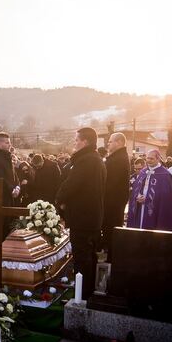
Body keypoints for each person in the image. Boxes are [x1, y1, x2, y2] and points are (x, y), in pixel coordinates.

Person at [56, 127, 106, 300]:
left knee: (82, 258)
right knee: (90, 257)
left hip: (83, 218)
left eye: (77, 140)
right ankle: (88, 292)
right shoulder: (97, 159)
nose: (75, 143)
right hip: (92, 218)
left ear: (85, 141)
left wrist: (60, 199)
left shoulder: (85, 160)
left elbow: (71, 185)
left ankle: (82, 296)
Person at [126, 150, 172, 231]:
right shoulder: (143, 172)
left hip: (155, 211)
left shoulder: (165, 175)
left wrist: (148, 199)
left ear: (158, 159)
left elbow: (165, 197)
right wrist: (137, 196)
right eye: (147, 158)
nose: (148, 161)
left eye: (151, 159)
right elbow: (136, 188)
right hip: (140, 208)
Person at [102, 133, 131, 237]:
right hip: (113, 202)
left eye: (110, 142)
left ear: (119, 142)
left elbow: (110, 183)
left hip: (112, 203)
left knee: (111, 232)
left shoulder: (118, 159)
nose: (108, 144)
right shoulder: (117, 157)